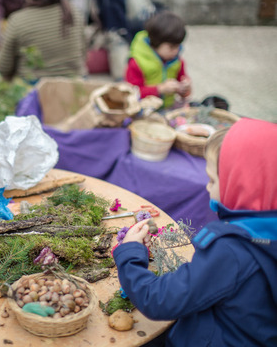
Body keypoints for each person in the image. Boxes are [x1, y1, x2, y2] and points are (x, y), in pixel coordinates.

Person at [114, 118, 277, 346]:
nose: (207, 187)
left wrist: (130, 252)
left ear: (244, 185)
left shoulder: (232, 250)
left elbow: (158, 300)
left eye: (212, 179)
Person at [0, 0, 86, 83]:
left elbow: (4, 68)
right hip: (76, 84)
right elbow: (83, 54)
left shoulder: (18, 21)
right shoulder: (73, 13)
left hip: (33, 88)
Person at [124, 11, 191, 110]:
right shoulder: (137, 63)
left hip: (168, 108)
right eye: (172, 47)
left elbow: (184, 91)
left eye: (178, 46)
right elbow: (131, 93)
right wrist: (160, 89)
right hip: (142, 110)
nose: (176, 51)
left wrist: (185, 88)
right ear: (156, 43)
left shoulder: (177, 61)